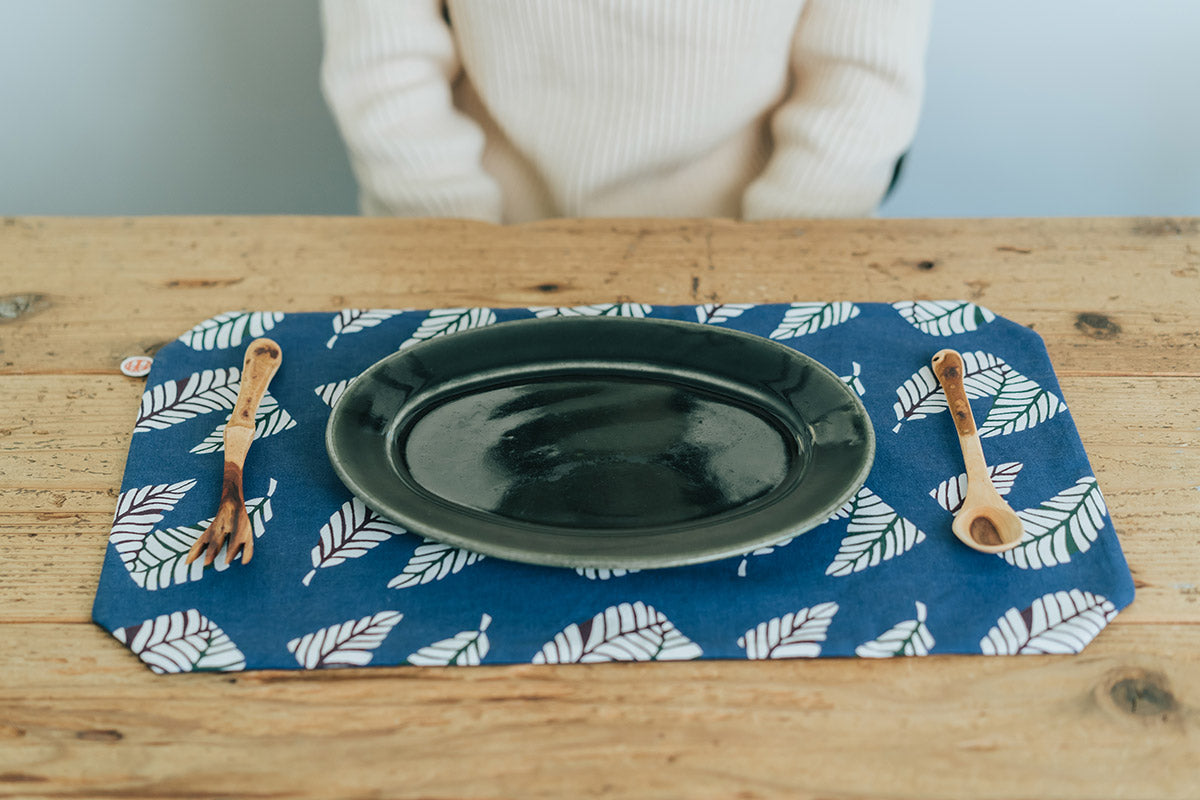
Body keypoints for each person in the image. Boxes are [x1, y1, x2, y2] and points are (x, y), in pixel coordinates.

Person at [320, 0, 932, 223]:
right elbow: (385, 69)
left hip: (759, 248)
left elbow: (861, 80)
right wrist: (463, 263)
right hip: (481, 236)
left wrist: (781, 274)